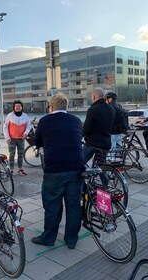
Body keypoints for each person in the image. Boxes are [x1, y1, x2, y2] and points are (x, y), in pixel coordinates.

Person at [31, 93, 83, 249]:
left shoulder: (45, 121)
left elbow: (37, 142)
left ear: (51, 107)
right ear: (66, 107)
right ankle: (71, 239)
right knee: (74, 206)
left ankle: (48, 238)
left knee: (53, 205)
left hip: (55, 169)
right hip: (76, 168)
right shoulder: (76, 120)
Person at [83, 87, 115, 164]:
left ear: (94, 97)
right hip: (106, 143)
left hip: (93, 143)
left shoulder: (93, 109)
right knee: (101, 167)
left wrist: (79, 134)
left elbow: (86, 128)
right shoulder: (111, 109)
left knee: (79, 162)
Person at [3, 100, 31, 175]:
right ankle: (11, 169)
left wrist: (25, 133)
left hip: (21, 139)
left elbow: (29, 126)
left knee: (21, 154)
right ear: (14, 107)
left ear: (22, 107)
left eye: (19, 106)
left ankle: (20, 168)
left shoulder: (25, 116)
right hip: (12, 139)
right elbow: (5, 127)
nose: (18, 107)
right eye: (16, 106)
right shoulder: (10, 115)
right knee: (11, 154)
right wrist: (7, 137)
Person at [105, 92, 124, 156]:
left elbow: (110, 119)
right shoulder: (118, 106)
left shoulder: (110, 107)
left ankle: (113, 159)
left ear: (110, 99)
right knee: (119, 144)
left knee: (112, 146)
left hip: (113, 130)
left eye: (106, 99)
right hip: (119, 130)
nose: (106, 101)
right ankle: (120, 157)